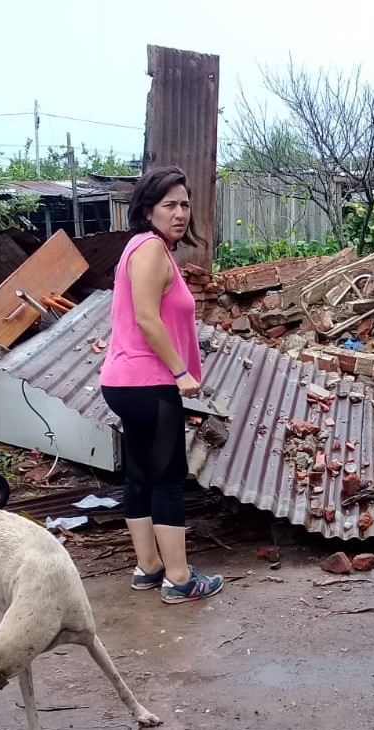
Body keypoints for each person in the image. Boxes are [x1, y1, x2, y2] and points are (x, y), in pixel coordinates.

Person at [99, 166, 224, 603]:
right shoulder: (151, 248)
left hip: (126, 382)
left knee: (140, 474)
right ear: (148, 210)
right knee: (169, 477)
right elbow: (147, 319)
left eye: (185, 204)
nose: (180, 213)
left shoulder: (145, 249)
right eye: (169, 205)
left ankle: (148, 567)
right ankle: (179, 578)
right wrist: (180, 372)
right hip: (149, 383)